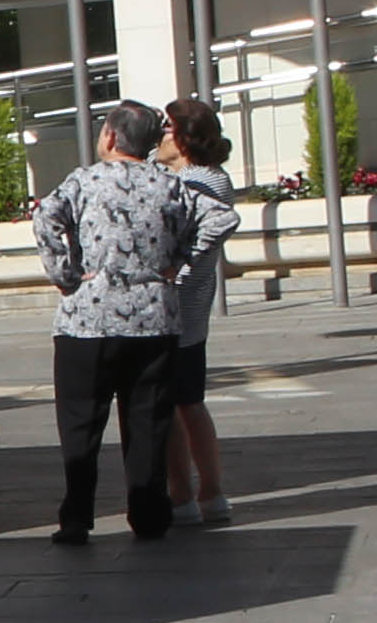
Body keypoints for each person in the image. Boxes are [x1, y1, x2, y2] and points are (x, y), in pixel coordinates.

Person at [33, 101, 206, 545]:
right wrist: (177, 261)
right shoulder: (170, 184)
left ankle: (76, 518)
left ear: (110, 136)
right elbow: (220, 217)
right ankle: (149, 514)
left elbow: (45, 215)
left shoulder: (84, 180)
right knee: (148, 421)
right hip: (154, 318)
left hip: (88, 319)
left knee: (80, 422)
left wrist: (66, 274)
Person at [155, 98, 242, 524]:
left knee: (169, 404)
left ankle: (183, 494)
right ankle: (211, 491)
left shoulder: (191, 181)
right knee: (190, 400)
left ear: (184, 138)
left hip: (175, 306)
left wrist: (179, 268)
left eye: (166, 128)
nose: (160, 136)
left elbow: (220, 223)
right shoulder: (214, 176)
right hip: (195, 307)